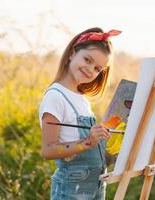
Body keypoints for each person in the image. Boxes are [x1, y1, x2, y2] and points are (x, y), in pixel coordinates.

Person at [38, 27, 121, 199]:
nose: (91, 69)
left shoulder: (81, 99)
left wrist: (107, 145)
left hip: (95, 185)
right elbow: (48, 150)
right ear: (72, 53)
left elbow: (89, 146)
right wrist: (87, 142)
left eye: (98, 68)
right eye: (87, 60)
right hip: (72, 188)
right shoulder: (56, 96)